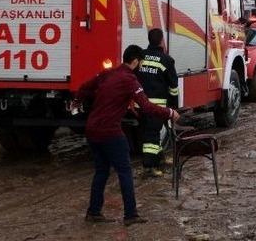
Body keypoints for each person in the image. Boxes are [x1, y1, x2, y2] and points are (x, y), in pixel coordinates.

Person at [74, 45, 180, 225]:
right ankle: (130, 215)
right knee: (125, 172)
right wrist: (169, 112)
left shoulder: (108, 73)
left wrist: (78, 102)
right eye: (141, 63)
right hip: (111, 132)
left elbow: (84, 87)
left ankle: (93, 212)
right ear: (136, 61)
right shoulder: (130, 80)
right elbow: (146, 106)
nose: (141, 67)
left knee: (101, 171)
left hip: (92, 130)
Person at [136, 29, 178, 177]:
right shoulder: (167, 60)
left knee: (148, 132)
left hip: (140, 105)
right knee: (152, 135)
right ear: (162, 41)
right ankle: (150, 167)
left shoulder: (141, 56)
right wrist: (173, 108)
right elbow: (173, 87)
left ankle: (160, 158)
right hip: (157, 106)